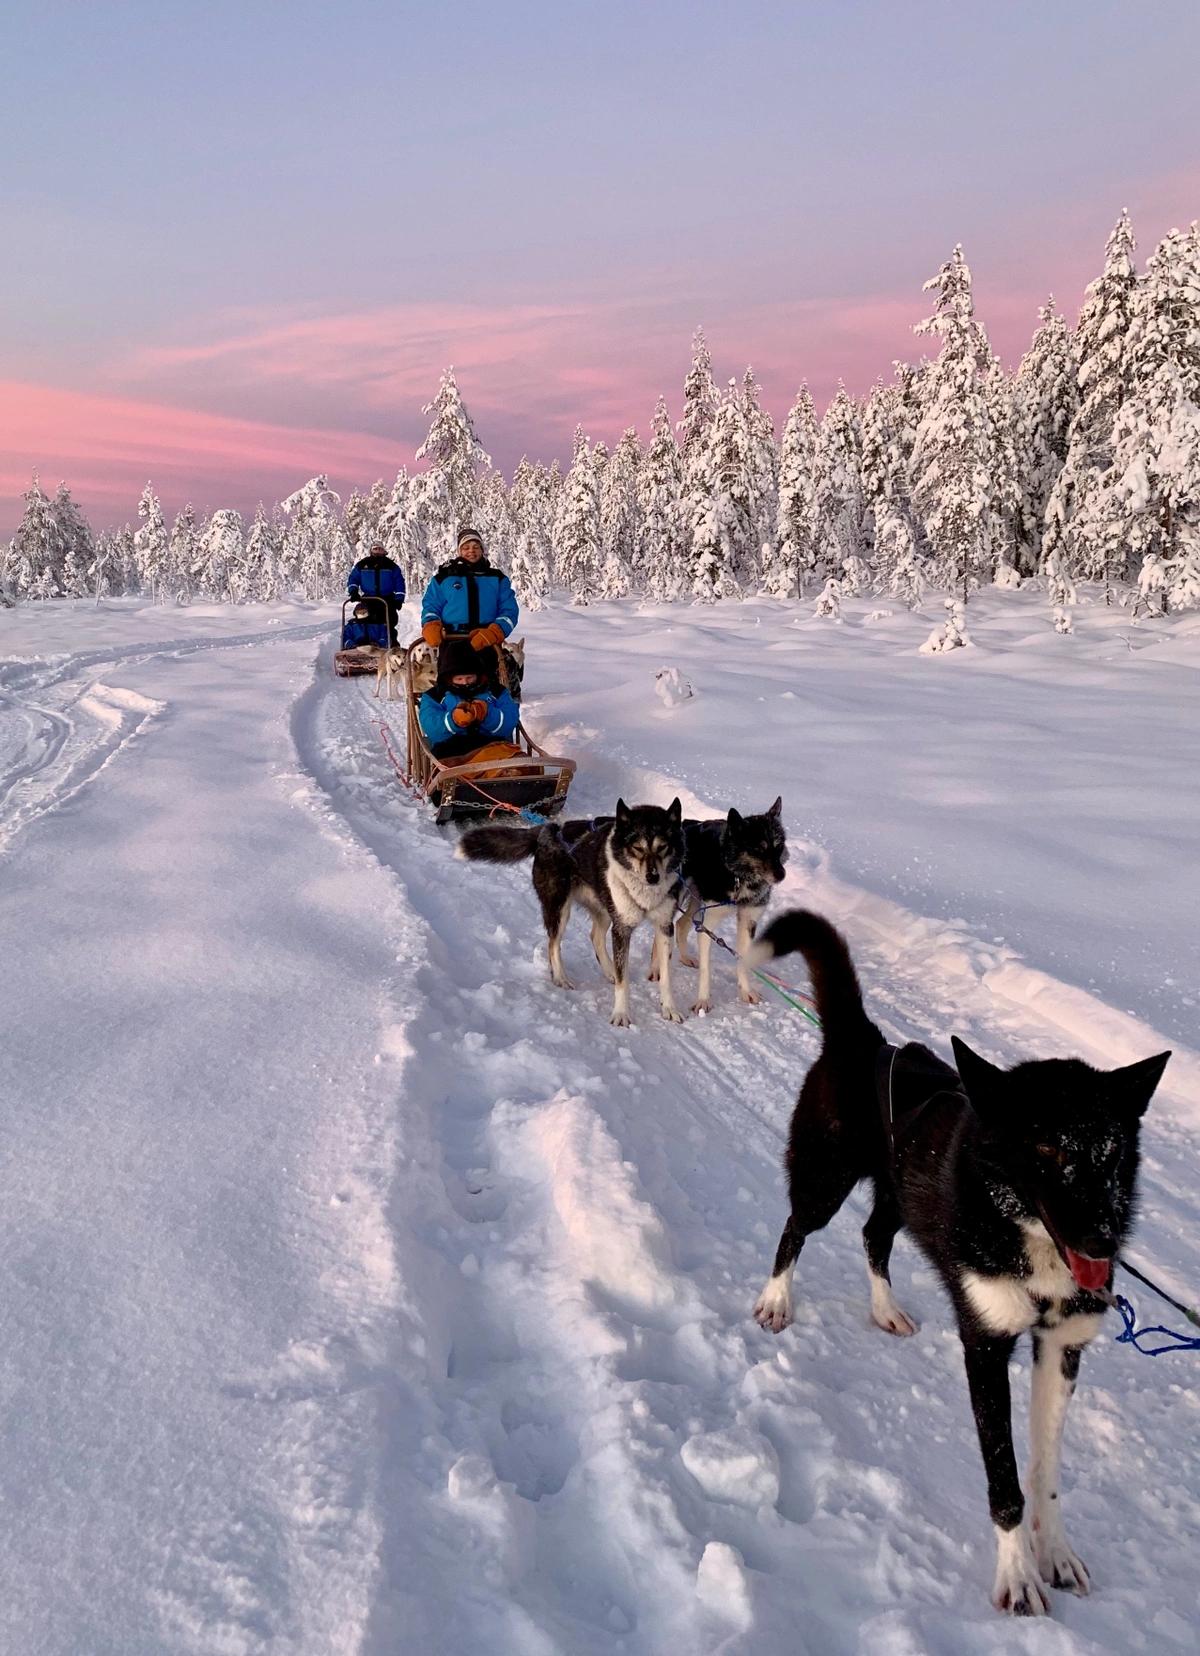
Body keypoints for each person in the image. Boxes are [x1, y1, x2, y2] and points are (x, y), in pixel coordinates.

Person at [420, 529, 518, 675]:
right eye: (466, 547)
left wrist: (496, 631)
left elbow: (509, 610)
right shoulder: (444, 577)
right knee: (450, 683)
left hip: (485, 639)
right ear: (459, 550)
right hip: (451, 638)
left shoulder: (497, 578)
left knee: (487, 686)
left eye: (476, 547)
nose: (471, 551)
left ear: (482, 550)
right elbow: (431, 606)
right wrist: (431, 624)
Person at [418, 638, 520, 761]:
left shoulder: (496, 692)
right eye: (459, 679)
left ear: (478, 675)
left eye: (469, 677)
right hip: (451, 750)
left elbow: (509, 722)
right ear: (449, 678)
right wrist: (454, 720)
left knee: (516, 759)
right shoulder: (434, 696)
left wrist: (486, 714)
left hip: (492, 746)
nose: (465, 682)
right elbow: (433, 729)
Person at [348, 543, 406, 645]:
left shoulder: (391, 566)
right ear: (371, 550)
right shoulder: (363, 564)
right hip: (368, 599)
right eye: (375, 549)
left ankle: (391, 646)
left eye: (380, 549)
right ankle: (363, 644)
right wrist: (353, 591)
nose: (377, 551)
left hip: (387, 600)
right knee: (364, 620)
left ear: (384, 551)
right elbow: (353, 578)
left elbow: (399, 582)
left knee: (389, 624)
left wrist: (399, 598)